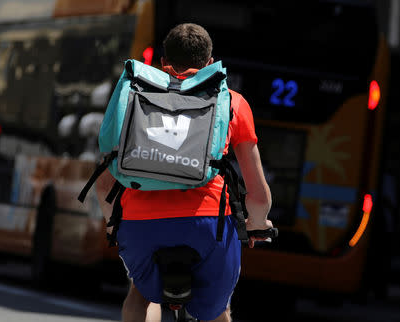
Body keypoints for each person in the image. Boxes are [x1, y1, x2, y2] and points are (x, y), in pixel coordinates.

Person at [96, 23, 273, 322]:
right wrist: (257, 223)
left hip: (141, 225)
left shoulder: (135, 98)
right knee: (218, 312)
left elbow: (103, 186)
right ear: (209, 62)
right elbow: (257, 193)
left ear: (163, 63)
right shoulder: (233, 102)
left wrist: (114, 226)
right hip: (209, 226)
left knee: (140, 296)